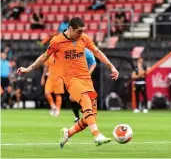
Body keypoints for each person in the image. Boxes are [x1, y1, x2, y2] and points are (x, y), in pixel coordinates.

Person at [17, 17, 119, 147]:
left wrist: (111, 66)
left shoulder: (83, 38)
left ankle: (68, 132)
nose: (81, 34)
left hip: (86, 78)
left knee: (91, 116)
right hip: (71, 79)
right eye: (78, 31)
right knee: (85, 99)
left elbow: (97, 52)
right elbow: (44, 57)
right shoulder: (57, 41)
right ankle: (97, 135)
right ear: (70, 29)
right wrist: (28, 68)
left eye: (83, 31)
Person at [72, 48, 97, 122]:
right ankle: (78, 117)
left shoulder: (86, 52)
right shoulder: (72, 51)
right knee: (72, 98)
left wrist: (88, 74)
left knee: (88, 96)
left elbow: (93, 63)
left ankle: (89, 115)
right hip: (75, 77)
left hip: (85, 78)